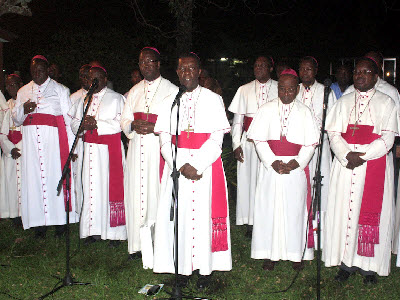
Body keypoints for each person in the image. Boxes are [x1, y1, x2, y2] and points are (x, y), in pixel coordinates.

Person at [153, 52, 231, 289]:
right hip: (177, 168)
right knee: (180, 219)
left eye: (191, 69)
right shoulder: (169, 101)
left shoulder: (212, 99)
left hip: (204, 168)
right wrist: (179, 165)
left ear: (199, 71)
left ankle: (205, 271)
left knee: (203, 219)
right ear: (177, 73)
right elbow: (164, 139)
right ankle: (182, 269)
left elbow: (217, 138)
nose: (186, 73)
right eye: (182, 69)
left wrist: (196, 164)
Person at [323, 57, 398, 284]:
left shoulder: (387, 102)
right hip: (346, 166)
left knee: (371, 216)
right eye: (357, 72)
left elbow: (388, 138)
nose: (359, 75)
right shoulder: (343, 101)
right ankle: (345, 263)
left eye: (365, 72)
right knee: (344, 212)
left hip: (372, 165)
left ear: (376, 77)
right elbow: (333, 134)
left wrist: (362, 155)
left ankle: (369, 267)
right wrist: (346, 154)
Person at [247, 69, 319, 271]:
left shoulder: (305, 111)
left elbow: (310, 144)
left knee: (295, 210)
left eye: (290, 89)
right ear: (277, 88)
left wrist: (297, 162)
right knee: (269, 209)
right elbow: (259, 139)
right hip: (271, 168)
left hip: (295, 169)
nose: (286, 93)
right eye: (282, 89)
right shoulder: (266, 109)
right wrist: (272, 161)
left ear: (297, 90)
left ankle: (296, 253)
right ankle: (271, 254)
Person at [120, 47, 178, 265]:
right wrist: (133, 125)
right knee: (135, 195)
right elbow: (124, 121)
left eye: (150, 62)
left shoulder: (172, 90)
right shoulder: (133, 91)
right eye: (142, 62)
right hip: (136, 153)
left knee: (156, 194)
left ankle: (157, 244)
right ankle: (136, 245)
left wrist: (155, 127)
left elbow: (176, 122)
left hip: (158, 152)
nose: (145, 66)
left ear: (159, 64)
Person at [12, 55, 77, 237]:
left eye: (40, 70)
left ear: (48, 70)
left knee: (53, 179)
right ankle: (39, 224)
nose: (36, 74)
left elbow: (68, 120)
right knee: (35, 182)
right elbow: (16, 119)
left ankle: (60, 225)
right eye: (33, 71)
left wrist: (72, 148)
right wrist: (24, 110)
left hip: (53, 145)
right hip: (32, 146)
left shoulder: (60, 90)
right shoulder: (23, 91)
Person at [70, 65, 127, 246]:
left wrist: (97, 124)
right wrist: (82, 126)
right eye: (90, 79)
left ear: (104, 78)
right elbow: (73, 124)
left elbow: (122, 125)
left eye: (97, 78)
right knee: (91, 190)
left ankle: (114, 233)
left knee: (109, 190)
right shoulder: (83, 100)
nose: (93, 82)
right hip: (90, 151)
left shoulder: (117, 98)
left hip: (109, 153)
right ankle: (92, 231)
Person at [228, 56, 278, 237]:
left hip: (271, 144)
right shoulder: (244, 90)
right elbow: (238, 121)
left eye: (263, 66)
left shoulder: (280, 88)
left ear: (271, 68)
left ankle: (268, 221)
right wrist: (236, 144)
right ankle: (250, 222)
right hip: (248, 144)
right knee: (248, 182)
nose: (259, 68)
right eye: (256, 65)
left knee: (268, 183)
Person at [298, 56, 336, 242]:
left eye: (309, 69)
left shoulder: (326, 91)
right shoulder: (292, 90)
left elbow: (333, 120)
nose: (305, 73)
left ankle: (318, 228)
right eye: (302, 69)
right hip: (297, 150)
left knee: (320, 189)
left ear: (316, 71)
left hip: (321, 148)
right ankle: (300, 225)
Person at [0, 74, 24, 224]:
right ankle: (14, 214)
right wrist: (10, 149)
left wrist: (20, 147)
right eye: (8, 86)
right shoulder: (8, 107)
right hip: (10, 153)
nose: (10, 89)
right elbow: (2, 133)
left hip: (23, 152)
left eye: (13, 85)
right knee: (11, 184)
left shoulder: (26, 104)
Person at [68, 64, 91, 214]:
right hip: (80, 145)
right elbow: (69, 124)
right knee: (80, 179)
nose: (84, 79)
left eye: (87, 76)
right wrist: (72, 148)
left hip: (96, 143)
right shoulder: (74, 97)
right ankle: (80, 213)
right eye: (81, 76)